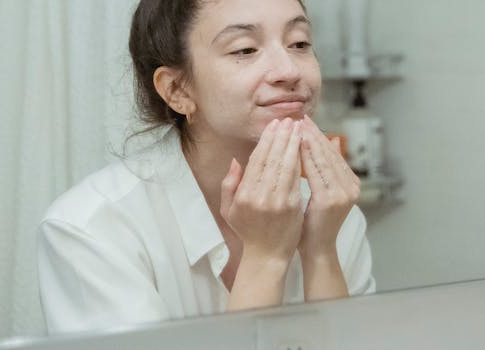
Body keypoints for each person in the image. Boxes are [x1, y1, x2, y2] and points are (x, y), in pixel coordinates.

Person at [37, 0, 376, 335]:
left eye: (299, 43)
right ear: (177, 89)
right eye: (245, 49)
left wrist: (321, 252)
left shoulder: (331, 214)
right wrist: (264, 258)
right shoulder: (91, 228)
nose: (290, 71)